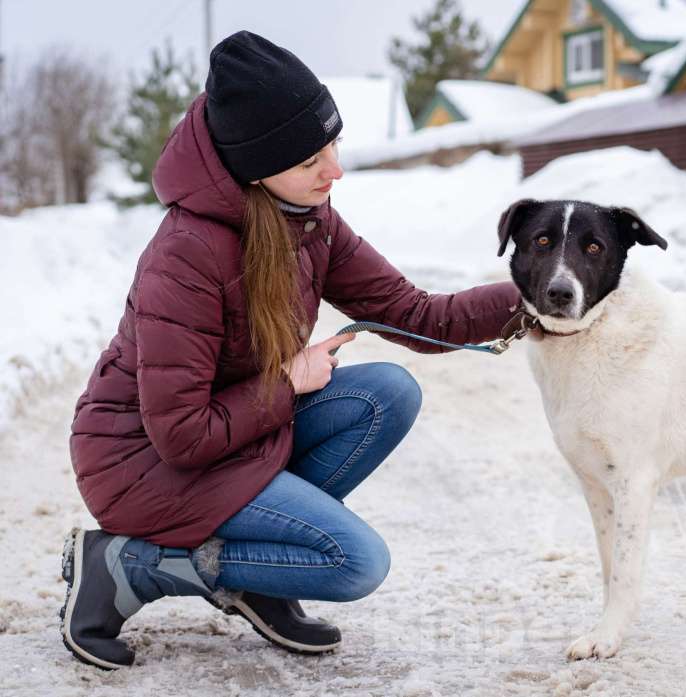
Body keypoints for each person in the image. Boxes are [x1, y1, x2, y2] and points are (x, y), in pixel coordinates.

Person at [60, 30, 521, 671]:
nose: (334, 171)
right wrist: (288, 382)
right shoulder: (188, 253)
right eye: (309, 161)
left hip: (234, 436)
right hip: (144, 465)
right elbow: (181, 436)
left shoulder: (308, 217)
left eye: (333, 146)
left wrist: (534, 297)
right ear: (255, 165)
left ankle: (262, 576)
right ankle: (127, 566)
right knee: (354, 561)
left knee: (388, 393)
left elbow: (415, 314)